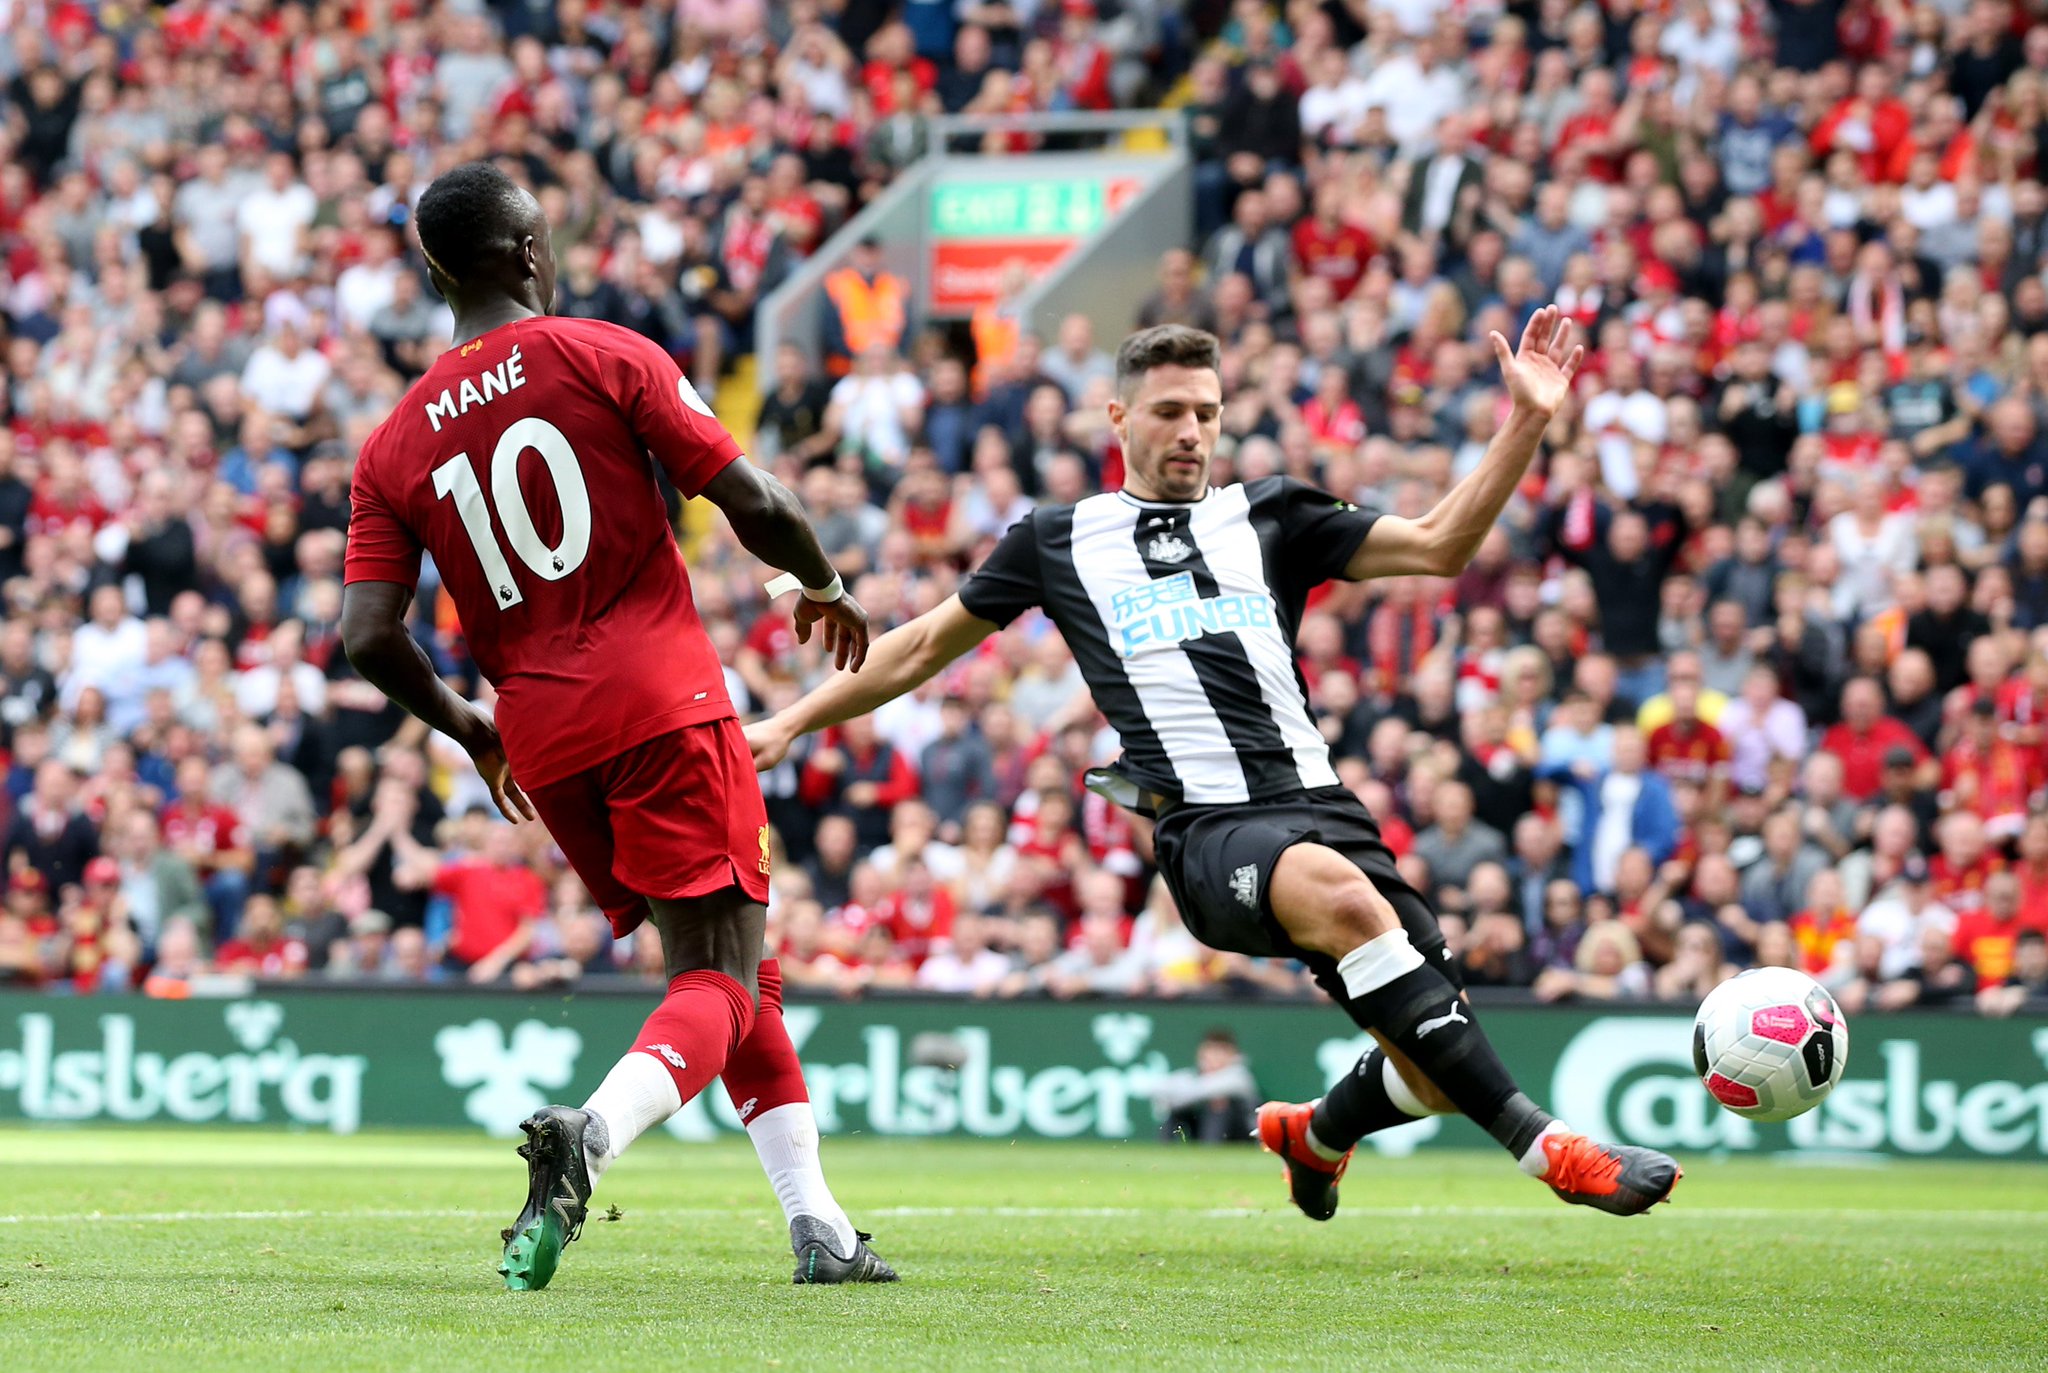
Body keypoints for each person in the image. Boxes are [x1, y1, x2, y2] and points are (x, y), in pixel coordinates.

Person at [747, 316, 1680, 1224]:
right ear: (1118, 419)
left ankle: (1317, 1133)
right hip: (1207, 831)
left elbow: (1443, 544)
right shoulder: (1057, 538)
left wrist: (1528, 419)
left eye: (1206, 409)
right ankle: (1550, 1148)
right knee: (1348, 905)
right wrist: (790, 721)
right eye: (1167, 411)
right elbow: (914, 651)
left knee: (1436, 1064)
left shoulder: (1271, 513)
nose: (1191, 430)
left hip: (1322, 806)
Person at [338, 163, 892, 1291]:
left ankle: (821, 1230)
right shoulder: (602, 352)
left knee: (735, 969)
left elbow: (364, 634)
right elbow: (759, 505)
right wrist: (824, 581)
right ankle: (588, 1135)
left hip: (543, 742)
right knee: (719, 980)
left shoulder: (391, 443)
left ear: (438, 274)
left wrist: (467, 727)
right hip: (661, 702)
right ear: (529, 253)